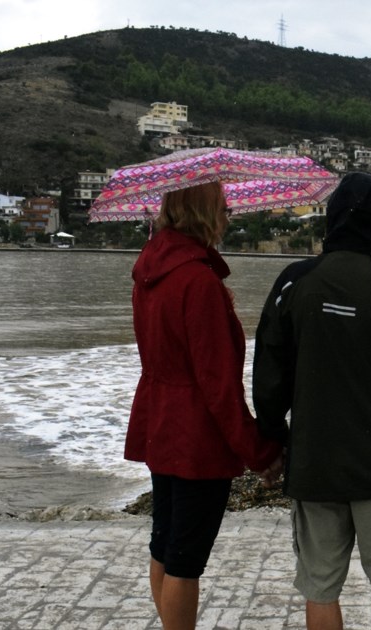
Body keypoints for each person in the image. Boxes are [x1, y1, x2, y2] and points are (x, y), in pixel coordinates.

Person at [253, 172, 371, 630]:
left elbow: (268, 376)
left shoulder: (292, 282)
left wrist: (274, 437)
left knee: (320, 586)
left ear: (334, 217)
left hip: (313, 462)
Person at [126, 181, 284, 630]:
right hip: (195, 437)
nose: (229, 215)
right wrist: (259, 451)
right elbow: (217, 386)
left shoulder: (149, 272)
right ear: (203, 212)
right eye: (224, 207)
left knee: (165, 544)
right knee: (185, 559)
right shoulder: (198, 281)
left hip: (159, 422)